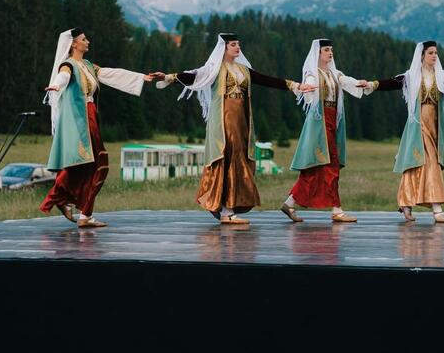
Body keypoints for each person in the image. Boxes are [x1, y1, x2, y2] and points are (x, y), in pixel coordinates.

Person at [157, 33, 311, 225]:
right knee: (227, 158)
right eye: (233, 45)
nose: (238, 48)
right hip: (223, 121)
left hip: (241, 122)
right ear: (224, 48)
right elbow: (192, 76)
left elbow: (266, 79)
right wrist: (169, 77)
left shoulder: (243, 70)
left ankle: (229, 208)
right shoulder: (214, 70)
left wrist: (296, 86)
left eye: (238, 44)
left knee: (238, 160)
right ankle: (226, 210)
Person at [41, 28, 156, 228]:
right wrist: (57, 86)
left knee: (91, 165)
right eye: (84, 39)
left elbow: (110, 73)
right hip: (80, 119)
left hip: (91, 115)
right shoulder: (68, 65)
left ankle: (84, 213)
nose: (88, 41)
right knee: (96, 163)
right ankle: (63, 199)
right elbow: (64, 76)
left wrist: (139, 78)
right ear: (74, 44)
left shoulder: (87, 65)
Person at [282, 38, 373, 223]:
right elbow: (308, 85)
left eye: (331, 50)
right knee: (329, 165)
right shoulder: (312, 73)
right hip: (319, 122)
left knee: (317, 168)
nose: (330, 53)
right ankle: (337, 209)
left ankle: (290, 202)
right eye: (326, 50)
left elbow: (345, 80)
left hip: (333, 120)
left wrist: (359, 83)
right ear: (318, 53)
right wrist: (306, 89)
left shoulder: (333, 73)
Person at [367, 41, 444, 223]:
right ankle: (436, 207)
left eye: (436, 53)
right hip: (417, 124)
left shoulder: (442, 75)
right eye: (431, 53)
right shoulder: (411, 76)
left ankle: (405, 203)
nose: (434, 56)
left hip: (434, 125)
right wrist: (372, 84)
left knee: (416, 163)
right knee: (429, 161)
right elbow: (392, 83)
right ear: (422, 55)